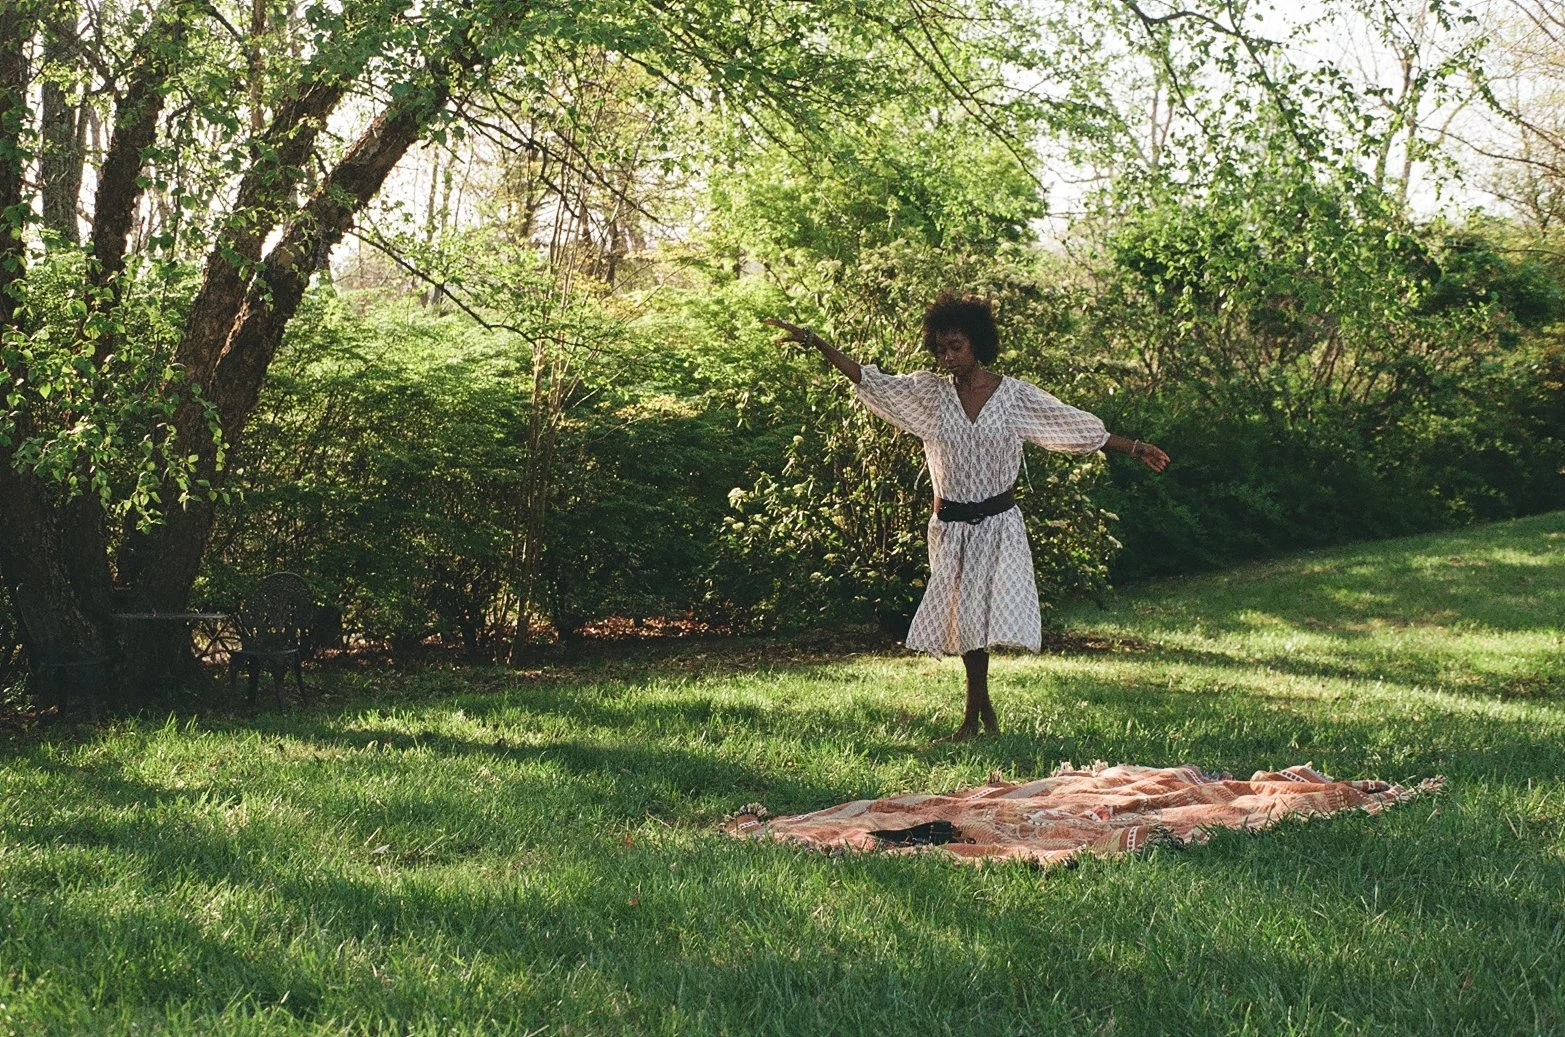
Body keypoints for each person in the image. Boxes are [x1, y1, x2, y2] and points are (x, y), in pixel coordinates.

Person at [764, 294, 1169, 742]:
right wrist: (814, 341)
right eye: (940, 348)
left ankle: (972, 723)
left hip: (997, 524)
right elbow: (870, 379)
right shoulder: (931, 395)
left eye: (955, 346)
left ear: (977, 343)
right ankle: (984, 718)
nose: (947, 356)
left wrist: (1133, 447)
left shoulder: (1013, 396)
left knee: (976, 621)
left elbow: (1070, 425)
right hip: (951, 526)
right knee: (964, 621)